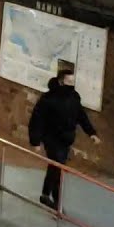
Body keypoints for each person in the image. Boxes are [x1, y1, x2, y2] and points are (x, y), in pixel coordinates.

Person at [28, 68, 101, 209]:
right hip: (52, 138)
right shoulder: (48, 99)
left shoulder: (74, 97)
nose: (71, 84)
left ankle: (45, 194)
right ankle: (57, 203)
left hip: (66, 139)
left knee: (55, 167)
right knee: (58, 167)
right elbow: (37, 120)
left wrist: (91, 133)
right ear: (61, 81)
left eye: (73, 82)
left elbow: (81, 116)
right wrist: (35, 141)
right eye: (69, 81)